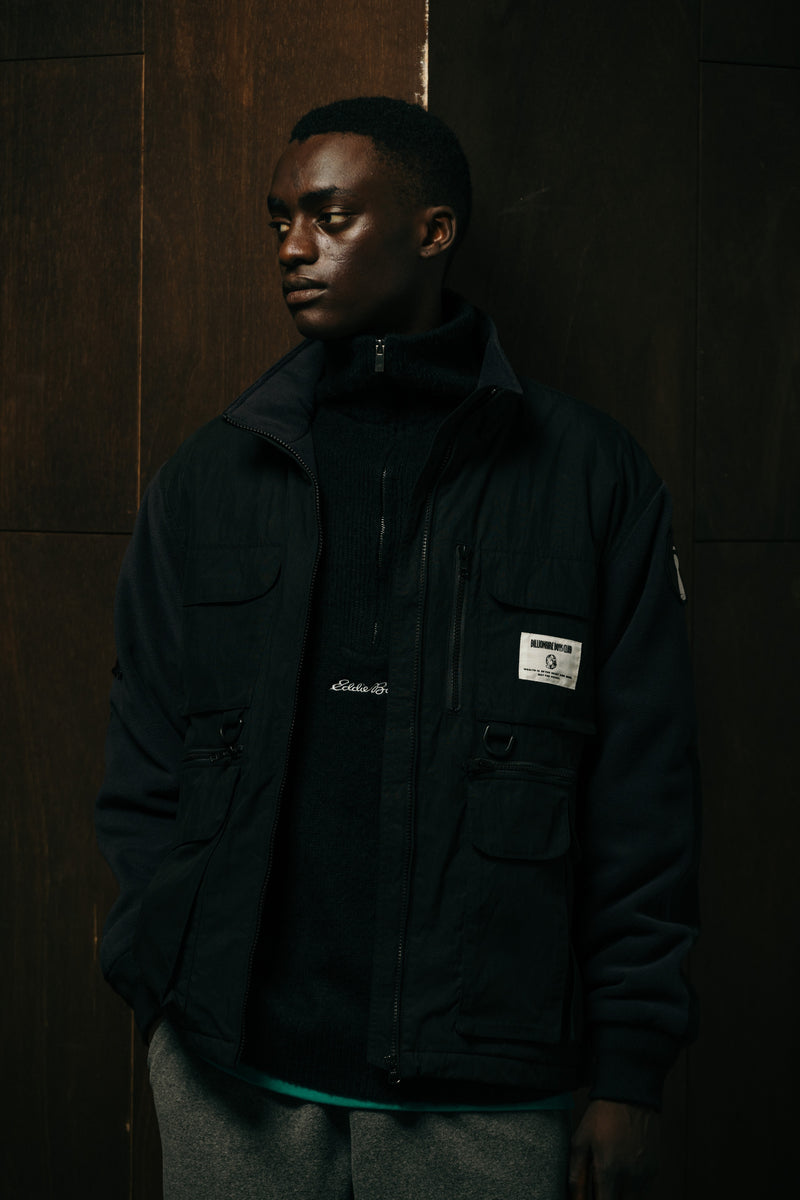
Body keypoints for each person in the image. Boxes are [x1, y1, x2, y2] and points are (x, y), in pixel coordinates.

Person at [96, 96, 699, 1199]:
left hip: (482, 1083)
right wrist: (161, 985)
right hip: (230, 1070)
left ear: (432, 231)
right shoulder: (210, 478)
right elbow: (145, 759)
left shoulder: (589, 478)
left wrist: (630, 1069)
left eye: (328, 218)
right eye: (279, 220)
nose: (292, 247)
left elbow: (645, 797)